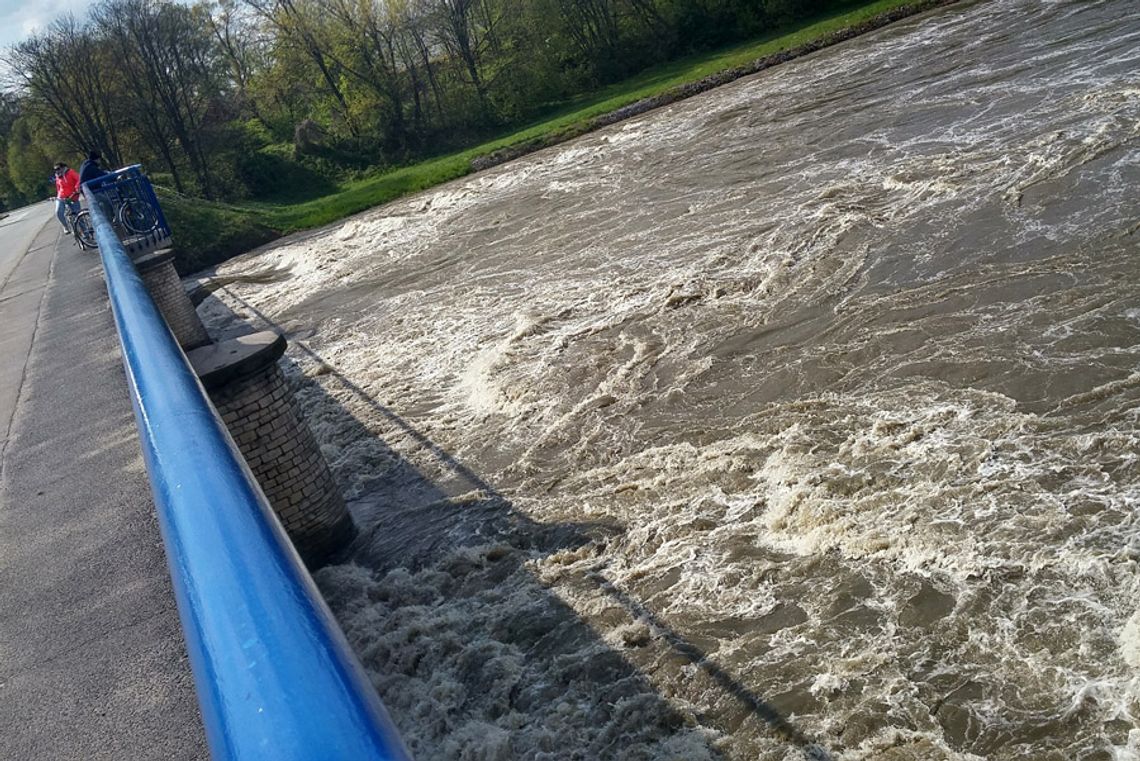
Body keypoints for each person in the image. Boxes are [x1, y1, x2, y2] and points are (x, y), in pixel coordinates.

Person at [53, 162, 81, 234]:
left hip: (72, 196)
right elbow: (58, 187)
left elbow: (79, 179)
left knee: (79, 216)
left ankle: (87, 234)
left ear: (63, 167)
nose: (57, 171)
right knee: (58, 212)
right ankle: (66, 227)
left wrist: (77, 187)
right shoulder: (57, 176)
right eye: (55, 170)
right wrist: (58, 195)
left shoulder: (70, 172)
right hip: (61, 197)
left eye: (58, 169)